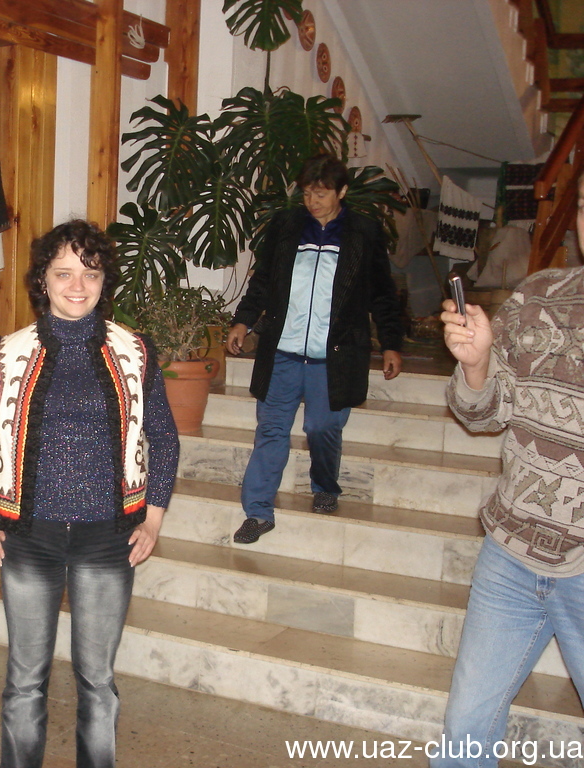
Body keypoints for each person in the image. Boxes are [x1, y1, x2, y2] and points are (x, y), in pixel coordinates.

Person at [0, 219, 179, 768]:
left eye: (90, 273)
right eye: (64, 273)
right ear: (43, 280)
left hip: (109, 539)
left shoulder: (135, 352)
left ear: (103, 281)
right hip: (29, 539)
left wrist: (154, 519)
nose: (78, 285)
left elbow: (164, 438)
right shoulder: (6, 355)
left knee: (97, 680)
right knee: (25, 680)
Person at [431, 173, 584, 768]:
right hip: (511, 553)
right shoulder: (538, 296)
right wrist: (476, 367)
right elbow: (484, 414)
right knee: (464, 731)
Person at [225, 153, 404, 544]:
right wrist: (243, 320)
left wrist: (392, 343)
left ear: (342, 192)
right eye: (307, 193)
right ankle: (258, 512)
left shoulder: (363, 232)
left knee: (322, 427)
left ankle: (324, 485)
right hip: (283, 353)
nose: (312, 201)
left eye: (321, 194)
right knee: (271, 431)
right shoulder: (287, 226)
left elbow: (382, 294)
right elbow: (263, 280)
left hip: (334, 356)